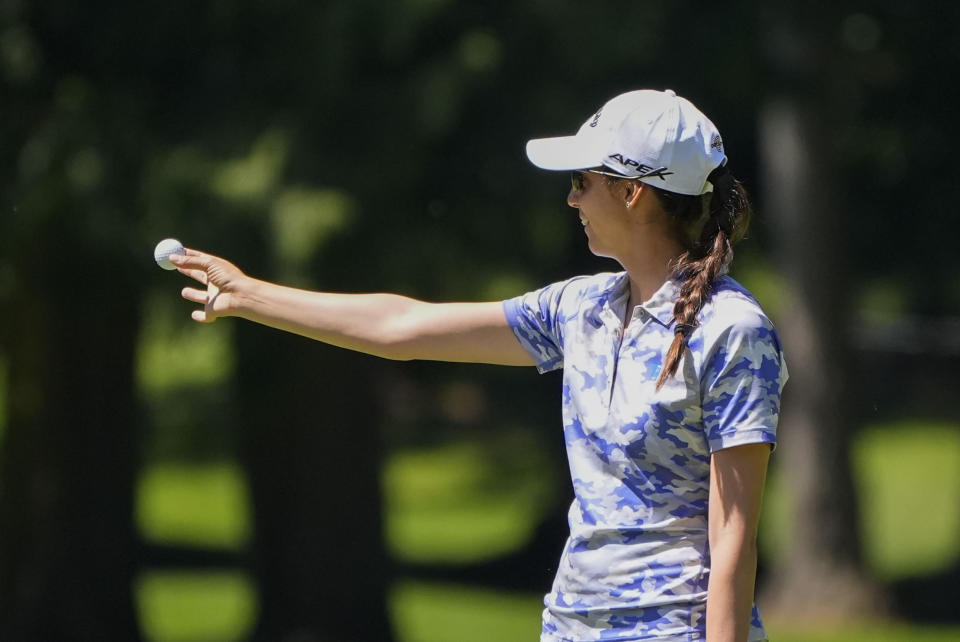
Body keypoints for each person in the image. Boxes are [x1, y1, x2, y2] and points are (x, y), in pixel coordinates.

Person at [169, 89, 787, 642]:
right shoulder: (581, 309)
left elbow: (733, 539)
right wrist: (250, 295)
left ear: (634, 193)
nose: (570, 198)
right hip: (571, 627)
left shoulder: (732, 332)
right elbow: (402, 329)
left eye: (581, 181)